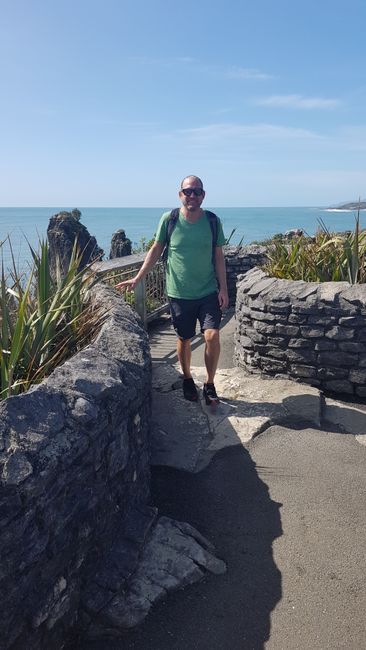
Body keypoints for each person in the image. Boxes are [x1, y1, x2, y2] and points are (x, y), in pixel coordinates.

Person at [116, 175, 229, 404]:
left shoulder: (213, 221)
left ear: (203, 195)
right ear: (180, 194)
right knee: (184, 338)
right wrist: (138, 278)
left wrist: (223, 289)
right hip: (179, 293)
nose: (192, 195)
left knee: (212, 335)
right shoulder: (170, 219)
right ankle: (187, 378)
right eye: (188, 191)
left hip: (207, 290)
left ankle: (209, 383)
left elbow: (218, 256)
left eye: (197, 191)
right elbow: (156, 249)